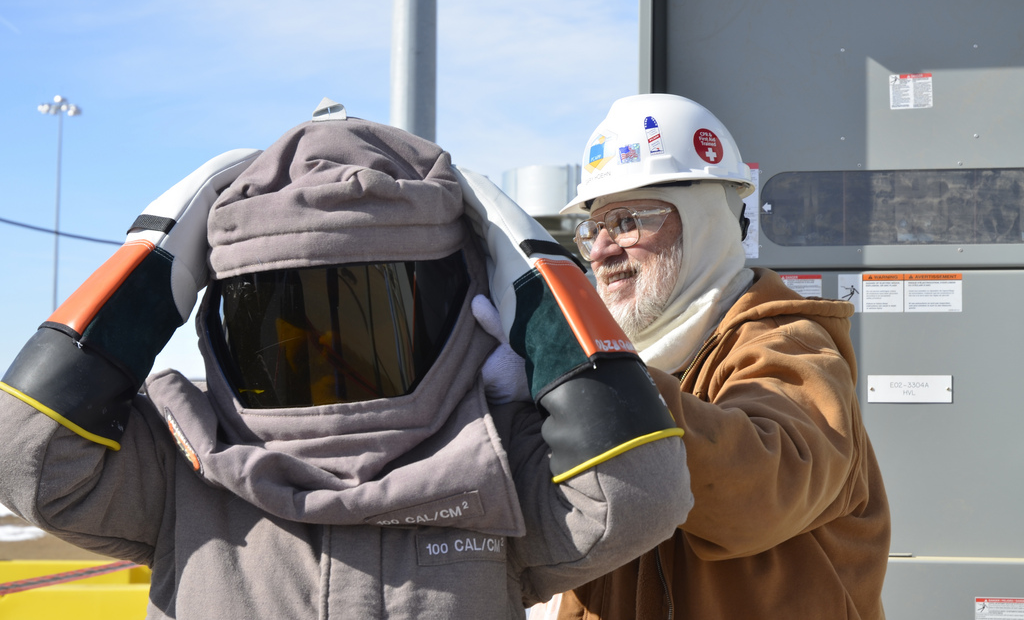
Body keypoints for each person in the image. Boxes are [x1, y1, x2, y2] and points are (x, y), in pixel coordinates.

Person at [0, 99, 694, 619]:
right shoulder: (184, 459)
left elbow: (638, 494)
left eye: (366, 310)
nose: (326, 348)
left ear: (456, 302)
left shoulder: (491, 459)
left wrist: (535, 282)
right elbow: (24, 454)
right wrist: (154, 255)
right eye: (286, 321)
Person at [550, 93, 891, 619]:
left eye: (627, 222)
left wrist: (605, 380)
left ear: (705, 222)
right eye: (593, 228)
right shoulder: (635, 362)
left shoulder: (786, 345)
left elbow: (764, 493)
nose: (600, 250)